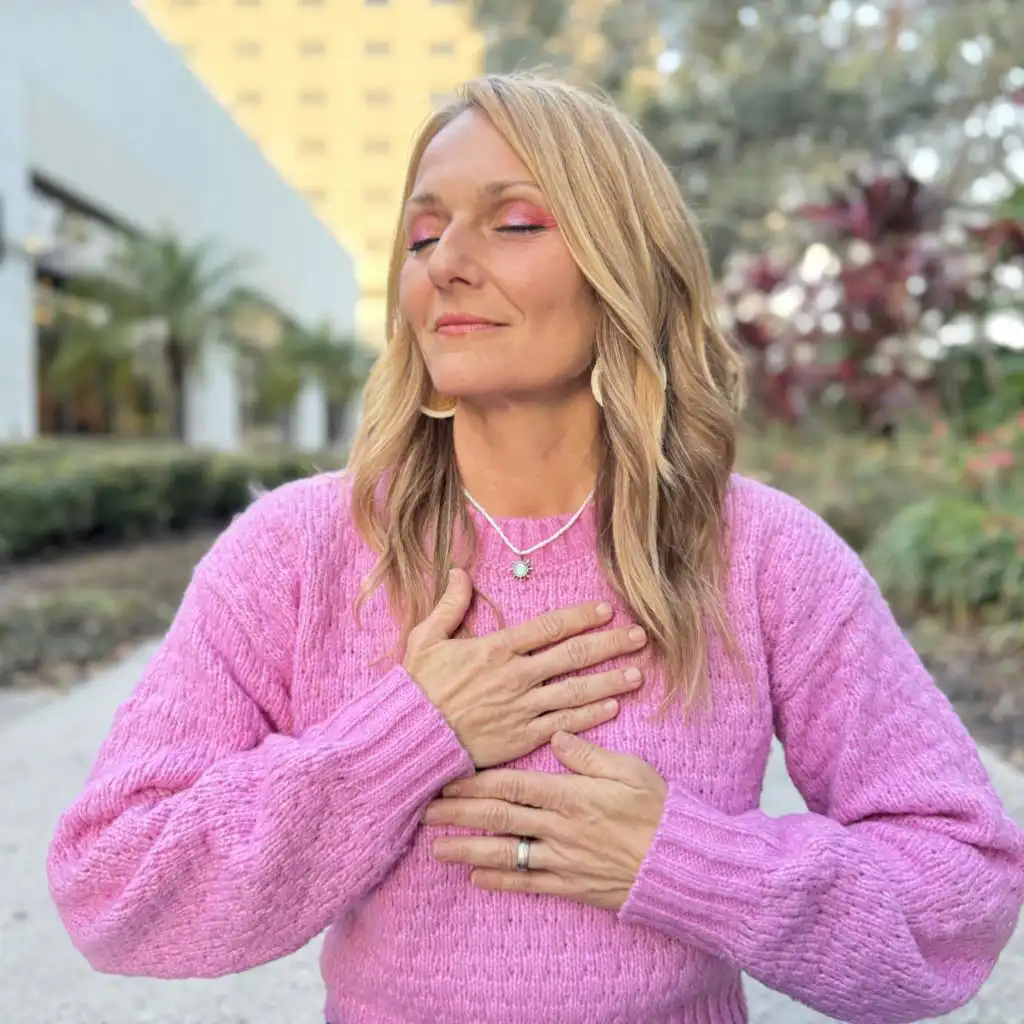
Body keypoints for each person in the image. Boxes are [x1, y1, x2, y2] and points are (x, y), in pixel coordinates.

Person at [48, 73, 1024, 1024]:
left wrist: (687, 862)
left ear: (623, 267)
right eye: (423, 234)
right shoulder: (297, 551)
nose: (445, 262)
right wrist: (409, 734)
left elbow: (961, 892)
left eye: (513, 223)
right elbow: (112, 884)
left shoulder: (761, 552)